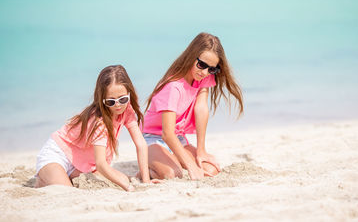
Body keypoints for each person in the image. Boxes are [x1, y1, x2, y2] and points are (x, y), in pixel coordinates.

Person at [142, 32, 244, 180]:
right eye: (201, 65)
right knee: (172, 174)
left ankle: (171, 159)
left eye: (211, 69)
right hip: (153, 139)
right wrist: (190, 165)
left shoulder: (202, 78)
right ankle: (148, 169)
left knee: (211, 169)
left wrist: (201, 151)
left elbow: (201, 109)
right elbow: (167, 134)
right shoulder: (173, 86)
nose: (204, 72)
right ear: (191, 56)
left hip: (178, 139)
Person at [35, 65, 151, 191]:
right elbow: (101, 164)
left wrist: (146, 181)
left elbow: (141, 144)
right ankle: (44, 177)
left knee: (122, 178)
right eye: (111, 101)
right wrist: (127, 187)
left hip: (80, 162)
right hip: (58, 154)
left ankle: (57, 176)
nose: (118, 105)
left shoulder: (127, 109)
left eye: (122, 99)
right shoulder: (98, 122)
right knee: (66, 191)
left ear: (129, 93)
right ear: (102, 99)